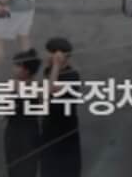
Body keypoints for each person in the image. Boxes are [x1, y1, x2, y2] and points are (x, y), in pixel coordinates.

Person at [41, 36, 83, 177]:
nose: (46, 56)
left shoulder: (72, 76)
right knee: (48, 165)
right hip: (49, 124)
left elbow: (51, 89)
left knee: (66, 167)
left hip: (65, 127)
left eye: (49, 53)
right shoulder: (49, 71)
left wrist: (57, 66)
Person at [2, 48, 43, 177]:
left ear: (25, 70)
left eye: (16, 66)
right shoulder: (34, 85)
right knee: (21, 167)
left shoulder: (27, 87)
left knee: (21, 167)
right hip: (23, 131)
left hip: (22, 134)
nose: (13, 69)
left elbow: (6, 109)